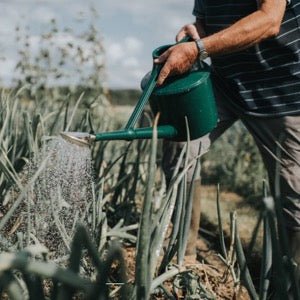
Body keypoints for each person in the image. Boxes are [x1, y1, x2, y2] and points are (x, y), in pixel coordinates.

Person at [154, 0, 300, 271]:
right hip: (227, 85)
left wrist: (198, 49)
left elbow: (269, 21)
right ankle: (183, 260)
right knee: (182, 140)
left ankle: (290, 285)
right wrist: (197, 31)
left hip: (283, 92)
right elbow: (208, 23)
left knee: (294, 195)